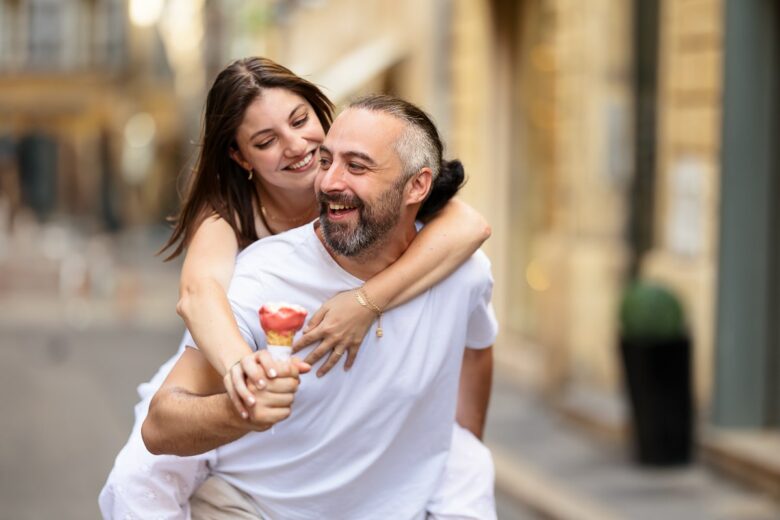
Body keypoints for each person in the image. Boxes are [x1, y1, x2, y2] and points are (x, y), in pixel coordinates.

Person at [99, 58, 492, 518]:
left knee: (466, 467)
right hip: (225, 344)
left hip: (348, 401)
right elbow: (199, 295)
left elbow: (470, 228)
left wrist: (366, 302)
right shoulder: (233, 225)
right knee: (139, 479)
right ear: (241, 157)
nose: (296, 147)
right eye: (266, 142)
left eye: (300, 121)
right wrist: (245, 373)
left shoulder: (376, 170)